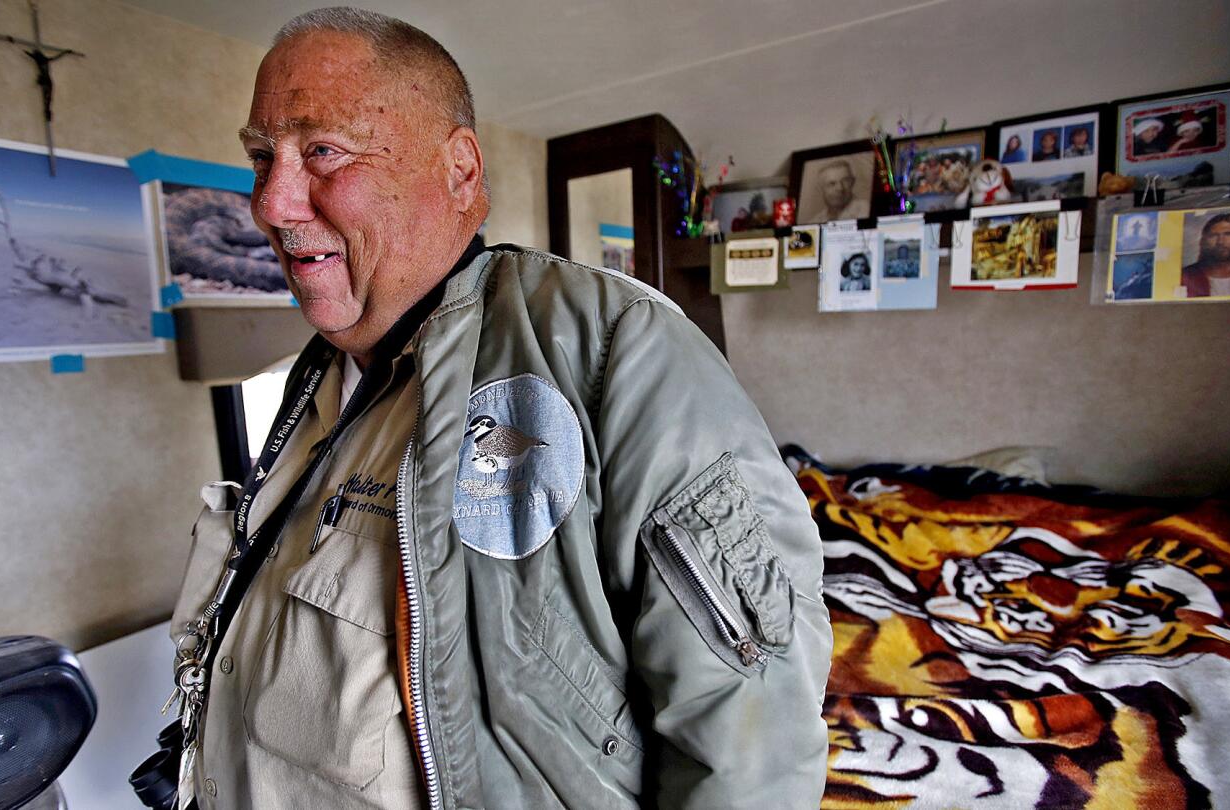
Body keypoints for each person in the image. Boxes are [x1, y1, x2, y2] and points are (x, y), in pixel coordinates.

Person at [162, 8, 832, 810]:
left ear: (460, 171)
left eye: (323, 151)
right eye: (262, 156)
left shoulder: (614, 346)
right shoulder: (318, 378)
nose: (270, 202)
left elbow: (751, 734)